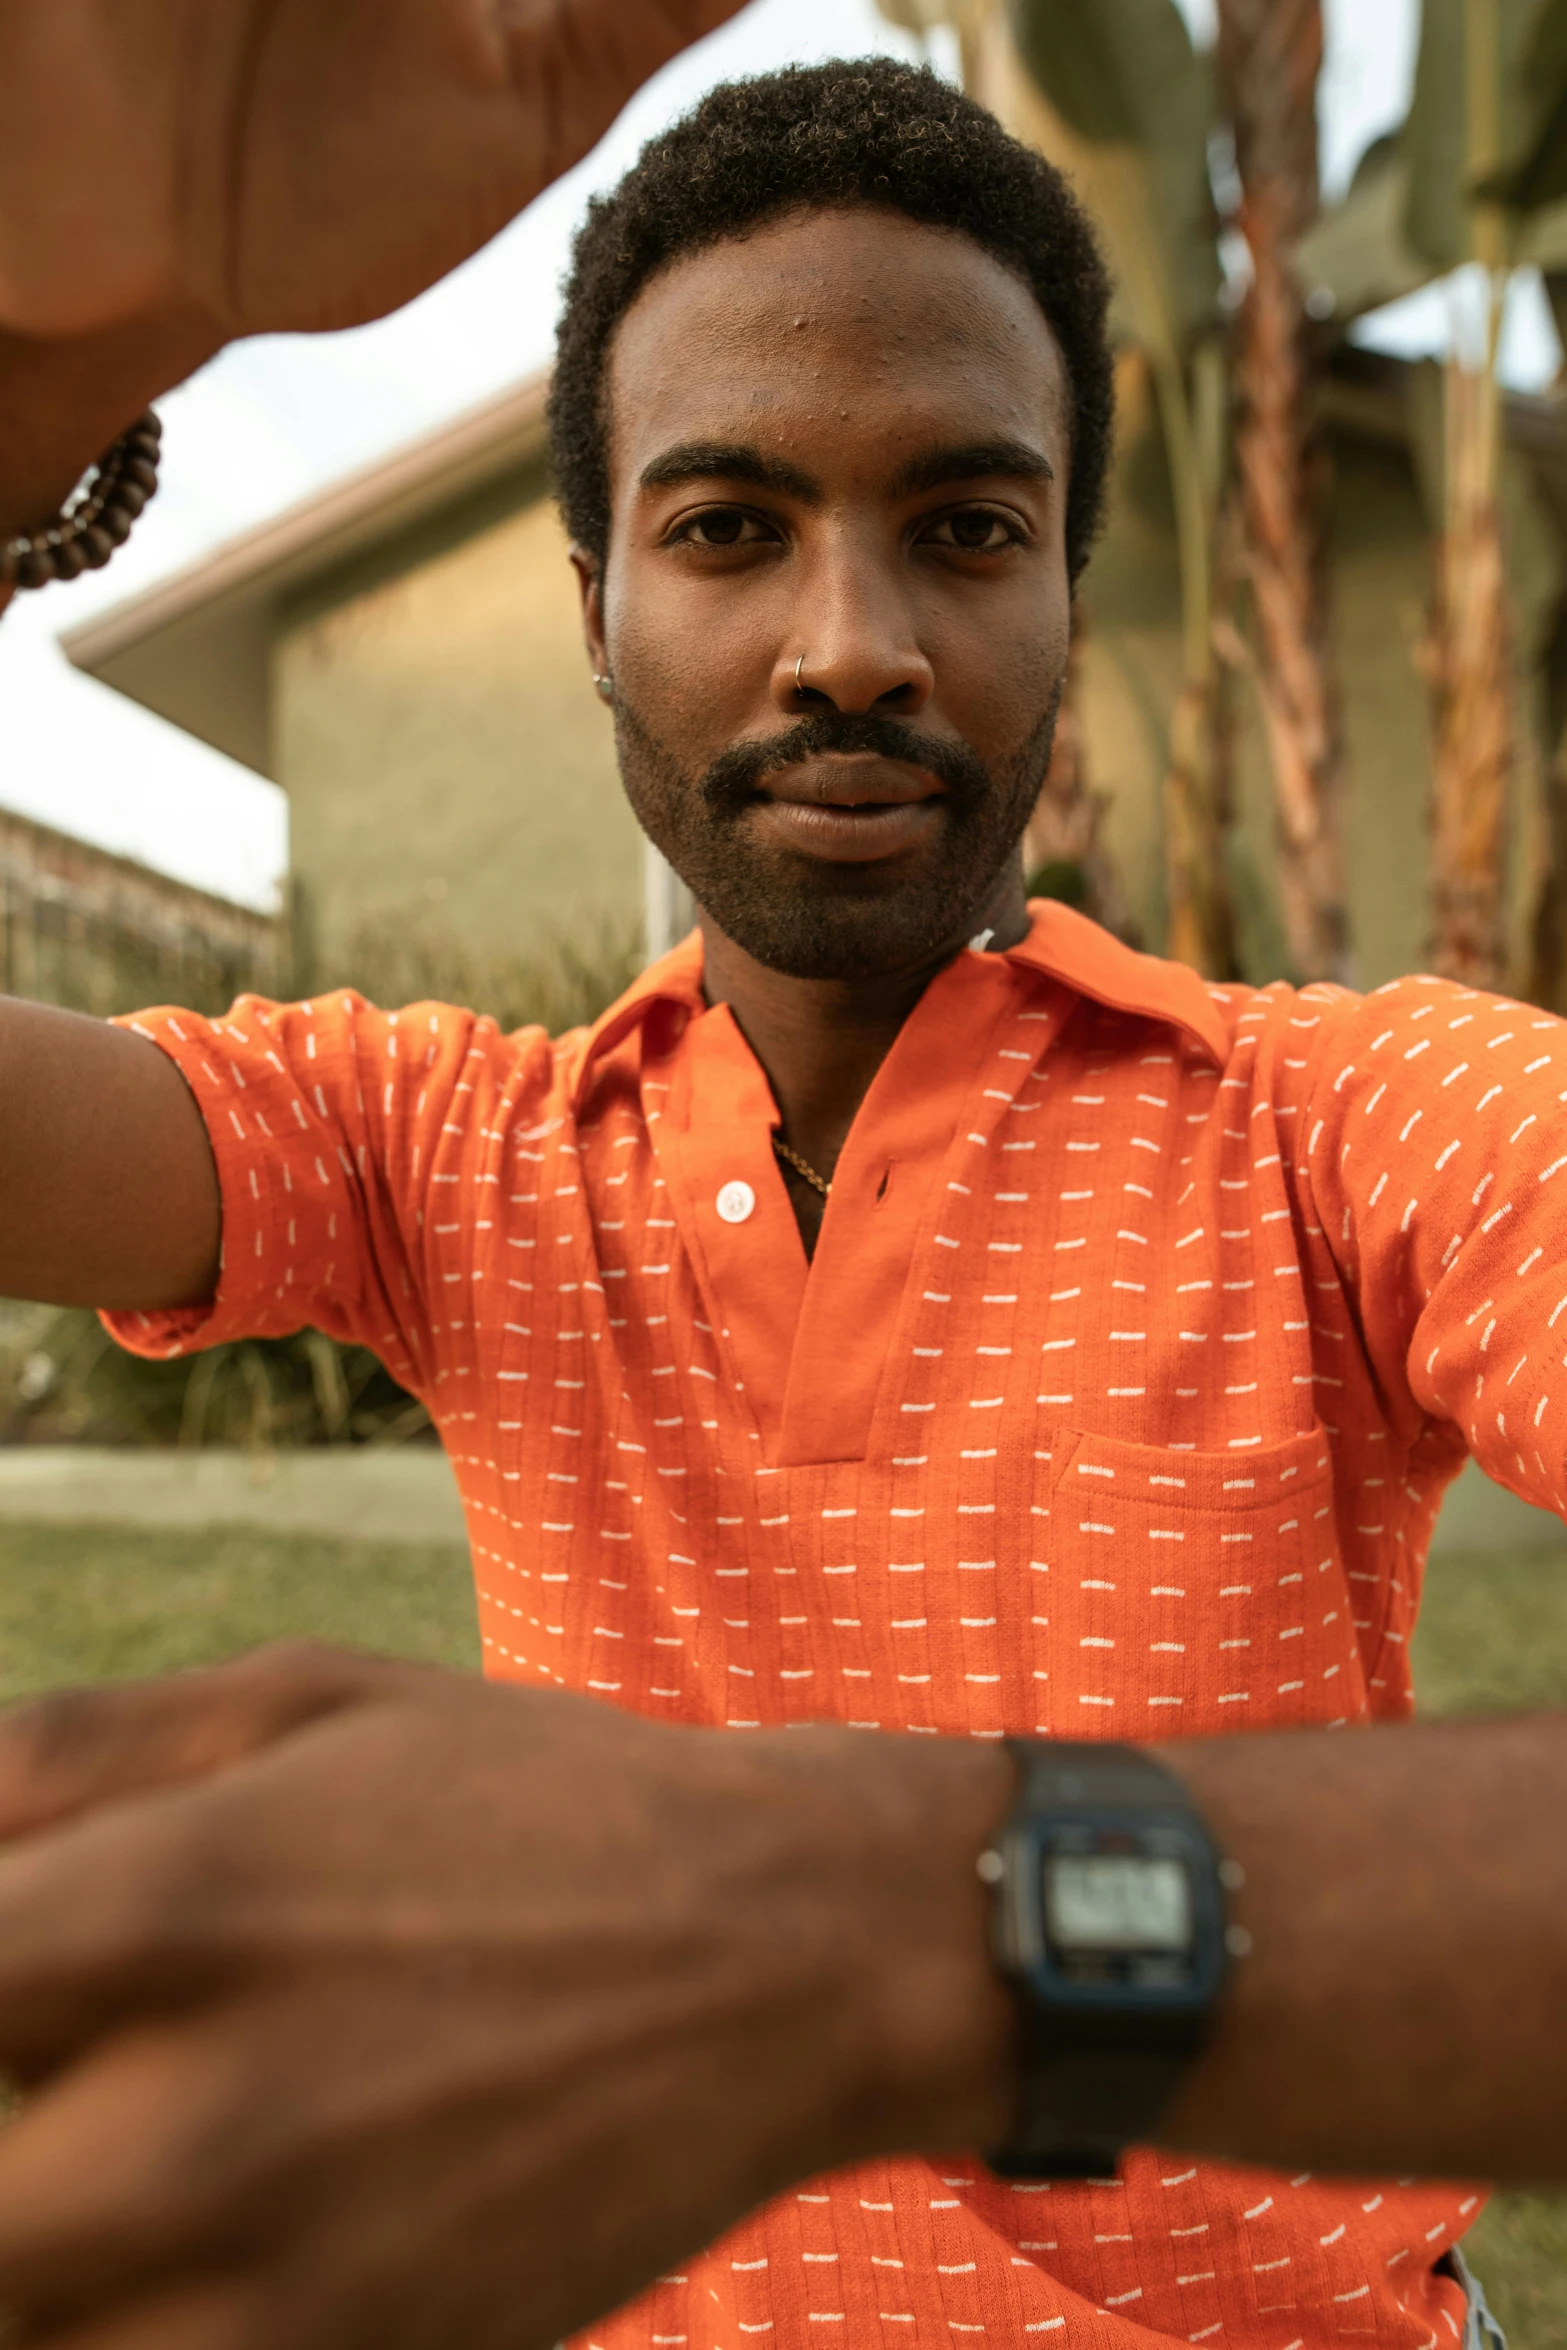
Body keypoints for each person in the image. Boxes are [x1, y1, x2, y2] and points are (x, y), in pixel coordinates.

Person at [0, 9, 1564, 2350]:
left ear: (1066, 587)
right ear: (596, 605)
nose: (853, 645)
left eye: (966, 525)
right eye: (730, 527)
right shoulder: (455, 1152)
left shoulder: (1345, 1127)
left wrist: (873, 1922)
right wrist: (51, 359)